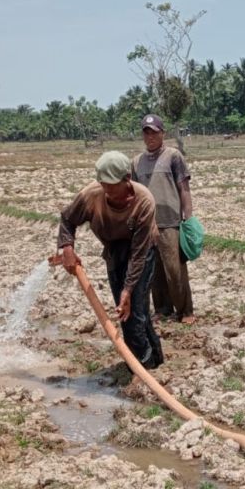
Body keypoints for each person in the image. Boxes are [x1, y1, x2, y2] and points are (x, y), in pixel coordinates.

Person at [57, 151, 165, 369]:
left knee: (135, 307)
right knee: (126, 310)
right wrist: (67, 248)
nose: (107, 190)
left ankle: (143, 366)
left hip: (143, 250)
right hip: (114, 249)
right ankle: (150, 360)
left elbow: (138, 254)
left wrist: (128, 289)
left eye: (112, 185)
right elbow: (67, 218)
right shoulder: (91, 194)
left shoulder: (144, 201)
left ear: (127, 179)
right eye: (103, 184)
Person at [131, 114, 195, 324]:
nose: (150, 137)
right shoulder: (137, 162)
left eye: (154, 132)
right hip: (147, 224)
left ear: (162, 133)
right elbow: (134, 193)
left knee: (174, 270)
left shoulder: (173, 156)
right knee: (154, 271)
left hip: (170, 222)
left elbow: (183, 188)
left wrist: (188, 218)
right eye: (146, 132)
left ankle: (185, 311)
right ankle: (162, 309)